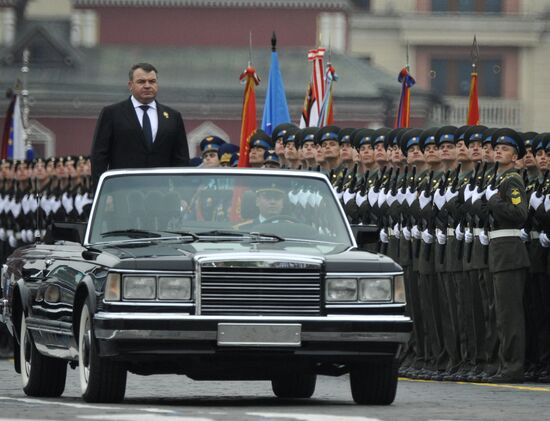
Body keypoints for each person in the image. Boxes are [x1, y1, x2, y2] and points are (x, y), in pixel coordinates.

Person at [91, 62, 189, 190]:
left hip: (163, 193)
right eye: (141, 82)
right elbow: (99, 157)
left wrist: (181, 191)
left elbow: (181, 159)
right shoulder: (112, 114)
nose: (147, 86)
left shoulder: (172, 116)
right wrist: (102, 192)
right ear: (130, 85)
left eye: (152, 81)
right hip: (124, 193)